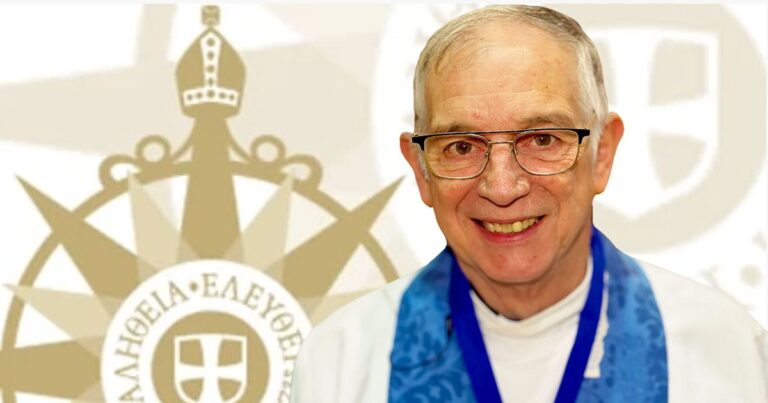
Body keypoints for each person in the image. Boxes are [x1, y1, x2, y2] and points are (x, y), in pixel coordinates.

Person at [290, 5, 768, 403]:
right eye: (461, 146)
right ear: (421, 170)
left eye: (542, 138)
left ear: (602, 153)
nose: (502, 187)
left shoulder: (723, 351)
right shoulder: (342, 360)